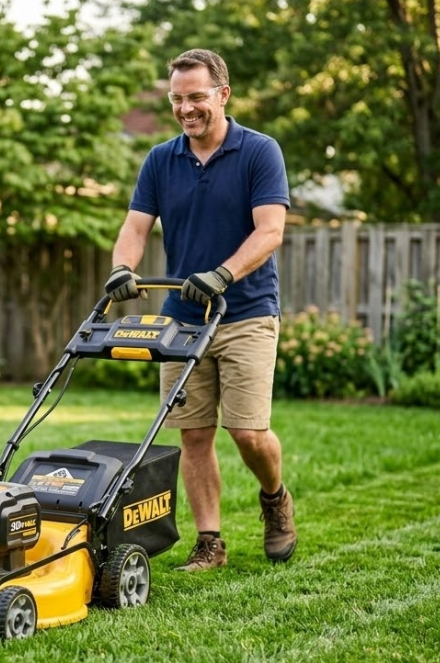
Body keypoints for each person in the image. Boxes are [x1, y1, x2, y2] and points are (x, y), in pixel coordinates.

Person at [105, 48, 296, 571]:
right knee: (192, 432)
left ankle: (275, 498)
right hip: (183, 319)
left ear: (222, 95)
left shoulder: (259, 152)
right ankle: (210, 541)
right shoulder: (161, 160)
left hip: (246, 312)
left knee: (248, 432)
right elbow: (136, 227)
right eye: (177, 98)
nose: (186, 108)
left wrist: (223, 274)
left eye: (196, 97)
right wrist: (124, 267)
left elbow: (270, 231)